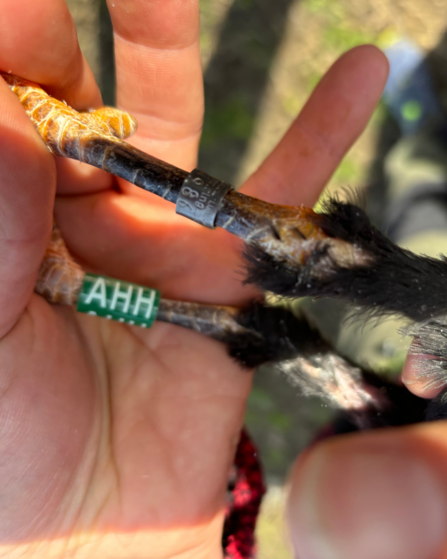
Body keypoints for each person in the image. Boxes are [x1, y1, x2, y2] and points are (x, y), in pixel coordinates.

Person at [0, 1, 444, 558]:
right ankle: (423, 150)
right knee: (365, 276)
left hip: (385, 415)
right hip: (402, 391)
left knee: (309, 304)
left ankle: (422, 153)